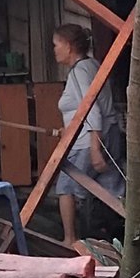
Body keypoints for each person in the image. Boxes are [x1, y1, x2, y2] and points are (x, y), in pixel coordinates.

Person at [51, 22, 125, 248]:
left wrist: (94, 147)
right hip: (109, 134)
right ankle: (118, 236)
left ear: (69, 46)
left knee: (66, 187)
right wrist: (69, 128)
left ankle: (71, 239)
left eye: (56, 44)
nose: (54, 50)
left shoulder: (79, 72)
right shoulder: (93, 65)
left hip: (88, 141)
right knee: (110, 188)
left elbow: (92, 108)